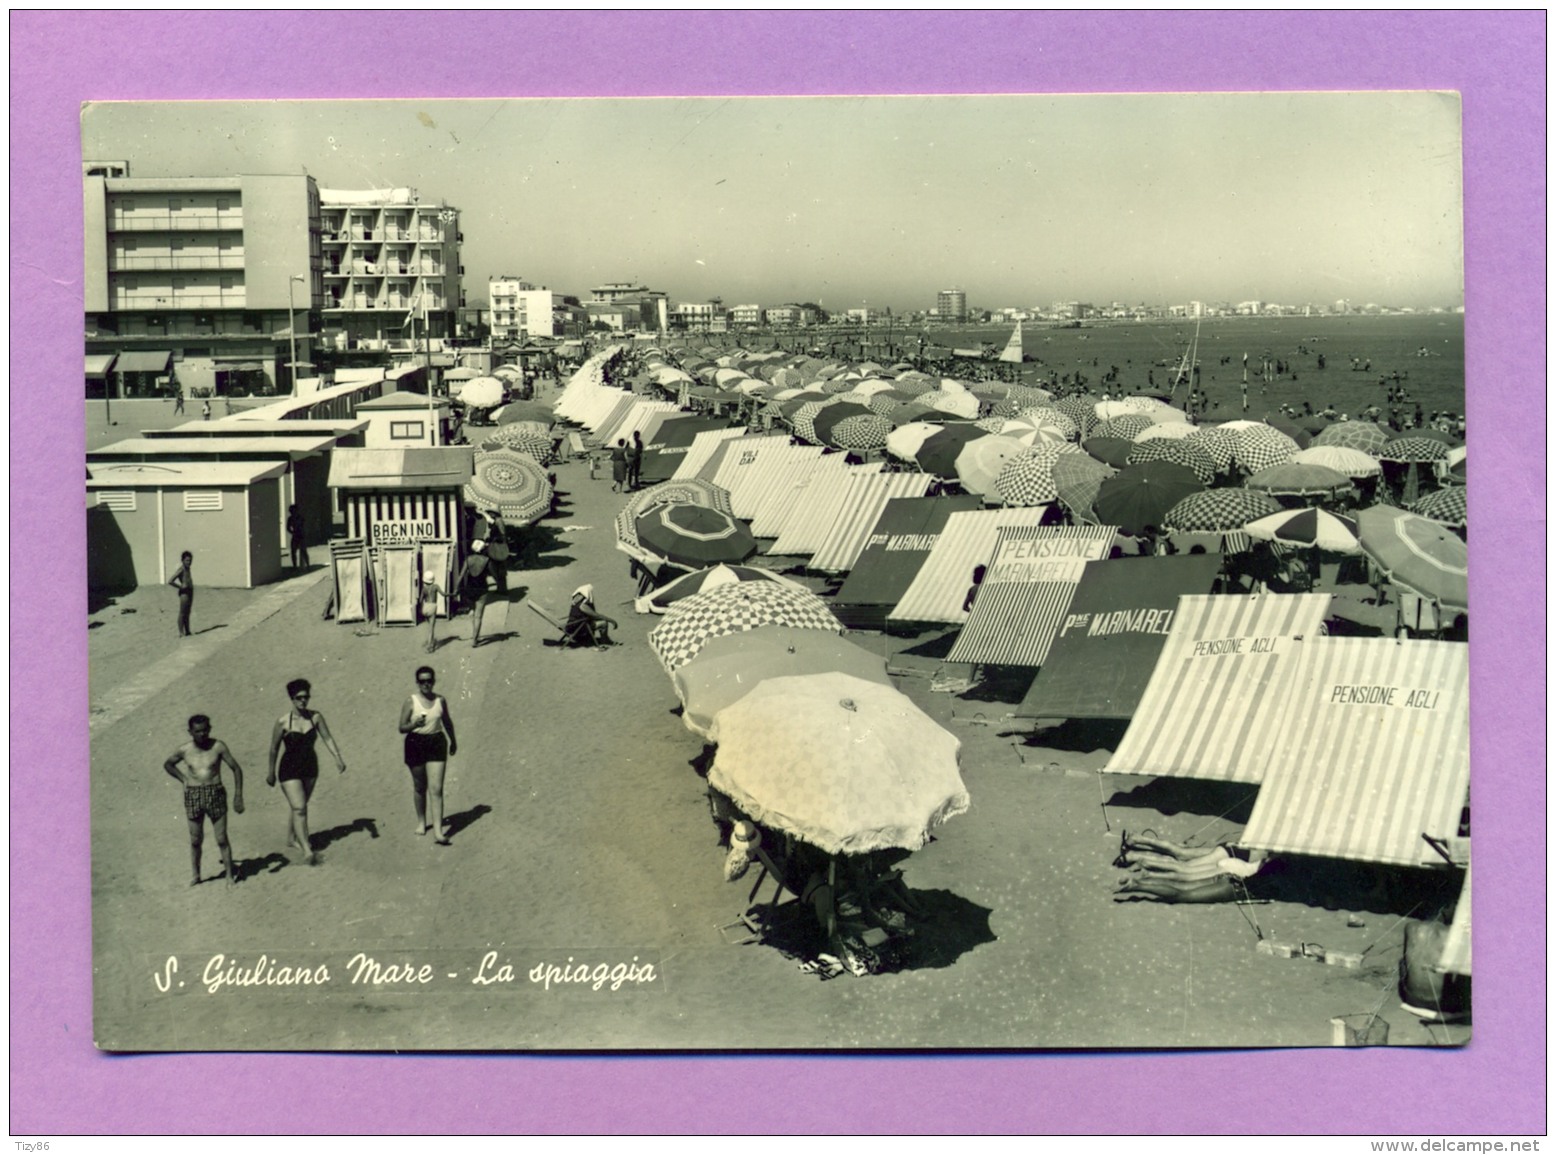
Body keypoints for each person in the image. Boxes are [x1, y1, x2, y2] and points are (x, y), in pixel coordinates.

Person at [266, 678, 346, 866]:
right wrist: (270, 772)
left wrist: (337, 758)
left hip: (310, 767)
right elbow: (273, 749)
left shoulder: (316, 717)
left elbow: (328, 738)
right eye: (299, 698)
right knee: (300, 807)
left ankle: (291, 838)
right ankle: (307, 850)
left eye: (306, 697)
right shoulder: (283, 722)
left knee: (298, 806)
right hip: (289, 769)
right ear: (292, 699)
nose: (304, 701)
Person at [163, 714, 246, 887]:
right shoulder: (185, 750)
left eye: (205, 730)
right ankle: (196, 875)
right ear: (190, 732)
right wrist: (184, 779)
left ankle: (229, 876)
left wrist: (238, 795)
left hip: (215, 792)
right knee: (195, 839)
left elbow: (236, 769)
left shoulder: (218, 747)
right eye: (197, 731)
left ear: (209, 729)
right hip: (193, 794)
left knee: (221, 838)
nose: (202, 734)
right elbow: (168, 764)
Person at [398, 666, 459, 844]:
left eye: (429, 680)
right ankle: (421, 821)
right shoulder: (410, 702)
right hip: (415, 743)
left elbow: (447, 721)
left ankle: (439, 832)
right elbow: (402, 727)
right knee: (419, 786)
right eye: (422, 681)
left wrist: (453, 740)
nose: (426, 684)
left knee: (436, 788)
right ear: (418, 683)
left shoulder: (441, 700)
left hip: (437, 743)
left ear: (434, 681)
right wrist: (414, 724)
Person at [456, 539, 499, 648]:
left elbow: (461, 575)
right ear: (482, 549)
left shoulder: (468, 559)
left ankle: (475, 633)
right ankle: (475, 639)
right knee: (478, 616)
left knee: (473, 612)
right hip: (482, 589)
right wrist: (498, 582)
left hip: (470, 589)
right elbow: (494, 575)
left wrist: (456, 589)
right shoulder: (486, 560)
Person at [169, 550, 195, 637]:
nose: (189, 562)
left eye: (190, 560)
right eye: (187, 560)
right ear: (183, 560)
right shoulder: (181, 569)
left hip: (190, 591)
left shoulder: (188, 569)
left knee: (188, 612)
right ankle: (181, 632)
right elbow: (170, 581)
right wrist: (180, 587)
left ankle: (187, 631)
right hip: (184, 593)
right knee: (182, 612)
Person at [286, 504, 306, 571]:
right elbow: (288, 528)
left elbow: (304, 526)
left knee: (303, 551)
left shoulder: (300, 518)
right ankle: (294, 566)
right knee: (293, 552)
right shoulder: (290, 519)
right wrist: (292, 532)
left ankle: (307, 565)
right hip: (295, 535)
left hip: (301, 535)